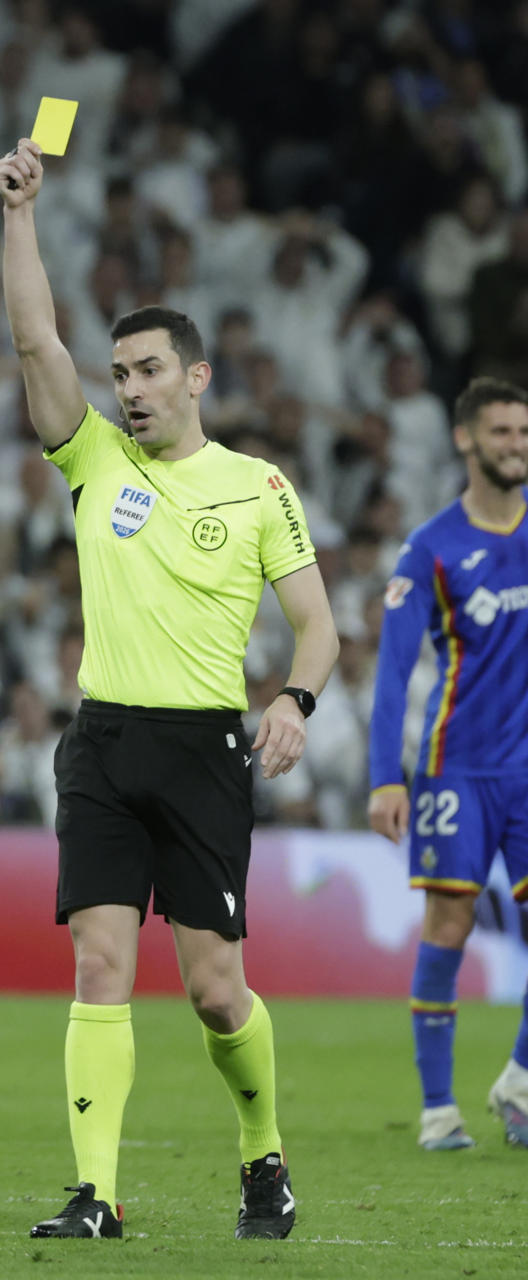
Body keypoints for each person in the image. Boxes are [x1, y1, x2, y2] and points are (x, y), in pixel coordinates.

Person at [0, 139, 339, 1241]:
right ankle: (96, 1194)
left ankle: (262, 1152)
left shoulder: (256, 487)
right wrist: (21, 214)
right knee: (100, 959)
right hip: (101, 744)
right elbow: (33, 337)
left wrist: (295, 700)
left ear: (195, 376)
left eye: (147, 371)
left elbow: (320, 623)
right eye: (120, 373)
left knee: (213, 990)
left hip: (202, 752)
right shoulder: (94, 458)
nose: (128, 389)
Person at [367, 377, 528, 1152]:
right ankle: (438, 1109)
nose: (516, 445)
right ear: (466, 440)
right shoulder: (430, 548)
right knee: (451, 922)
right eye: (501, 433)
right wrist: (383, 777)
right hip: (456, 769)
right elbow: (394, 672)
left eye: (524, 432)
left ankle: (519, 1078)